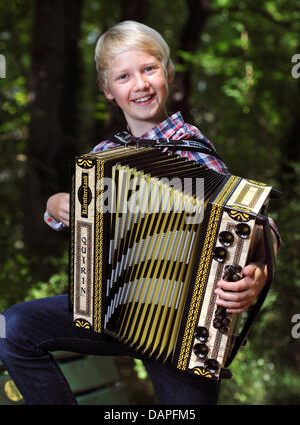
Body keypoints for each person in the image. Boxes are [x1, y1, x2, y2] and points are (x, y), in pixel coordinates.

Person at [0, 21, 280, 405]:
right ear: (108, 90)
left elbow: (260, 225)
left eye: (149, 69)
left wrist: (258, 274)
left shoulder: (193, 150)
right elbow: (66, 215)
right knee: (10, 328)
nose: (141, 84)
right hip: (110, 311)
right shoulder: (102, 158)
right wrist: (54, 203)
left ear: (166, 73)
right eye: (124, 76)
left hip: (183, 328)